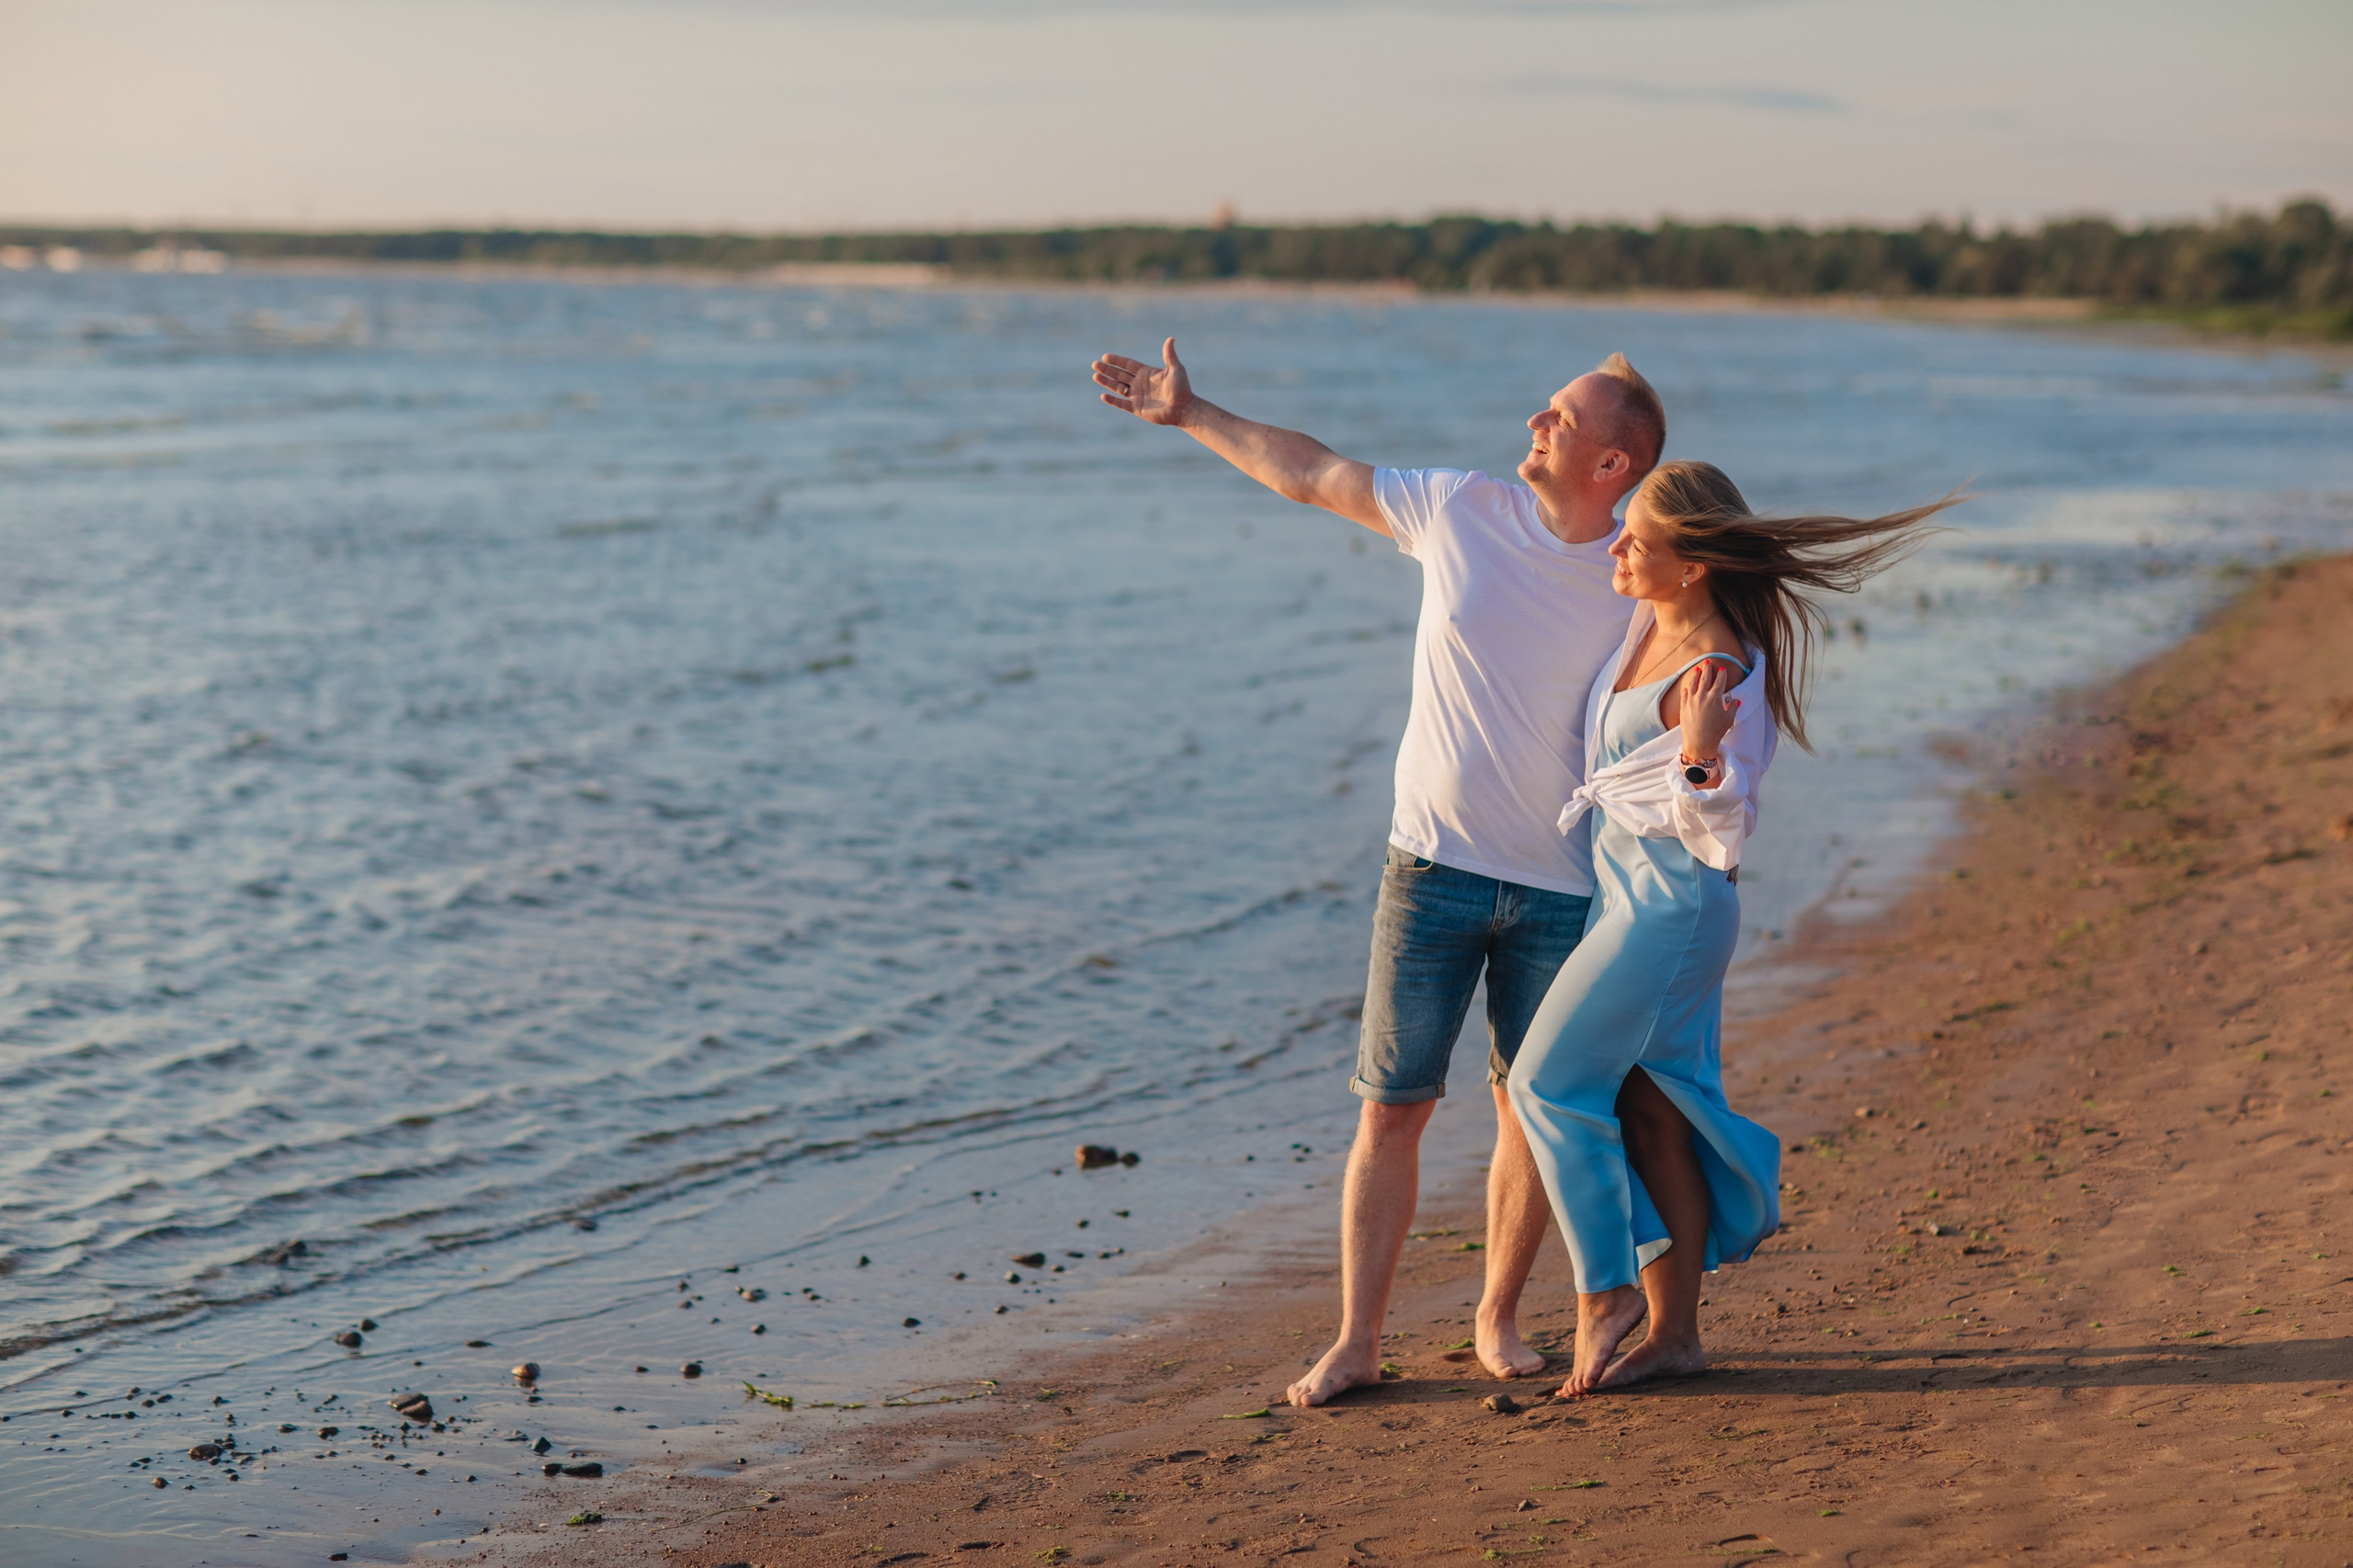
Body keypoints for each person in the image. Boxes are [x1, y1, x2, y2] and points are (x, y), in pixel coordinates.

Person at [1089, 336, 1664, 1405]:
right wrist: (1193, 411)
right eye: (1543, 408)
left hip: (1562, 884)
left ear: (1611, 465)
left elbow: (1715, 647)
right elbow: (1313, 473)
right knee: (1391, 1108)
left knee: (1526, 1110)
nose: (1535, 422)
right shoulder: (1460, 510)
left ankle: (1496, 1317)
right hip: (1431, 868)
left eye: (1560, 417)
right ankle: (1356, 1340)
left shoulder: (1640, 571)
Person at [1506, 459, 1961, 1396]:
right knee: (1649, 1108)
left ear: (1693, 567)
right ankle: (1674, 1335)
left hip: (1669, 912)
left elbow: (1726, 822)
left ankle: (1604, 1289)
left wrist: (1703, 755)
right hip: (1625, 901)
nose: (1617, 544)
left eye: (1638, 537)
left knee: (1544, 1083)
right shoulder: (1647, 620)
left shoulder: (1712, 666)